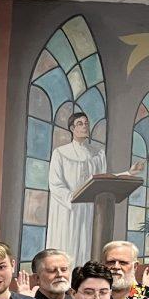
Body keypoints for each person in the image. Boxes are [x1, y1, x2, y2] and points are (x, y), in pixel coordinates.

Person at [47, 113, 106, 268]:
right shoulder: (60, 153)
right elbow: (55, 183)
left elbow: (103, 179)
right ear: (72, 128)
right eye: (80, 123)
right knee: (67, 243)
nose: (85, 126)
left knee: (86, 245)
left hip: (89, 209)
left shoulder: (98, 154)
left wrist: (128, 173)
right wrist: (72, 198)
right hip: (68, 209)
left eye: (86, 123)